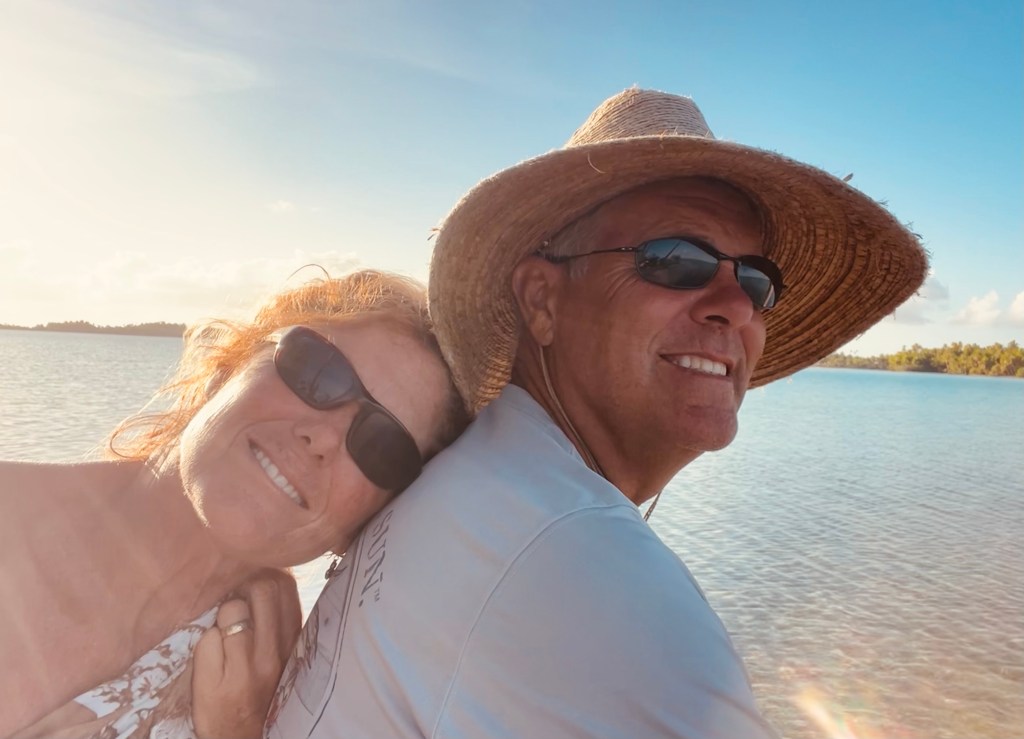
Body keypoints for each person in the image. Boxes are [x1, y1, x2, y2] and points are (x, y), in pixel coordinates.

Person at [265, 88, 928, 738]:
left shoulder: (475, 490)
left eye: (757, 280)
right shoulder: (588, 568)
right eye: (676, 260)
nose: (736, 305)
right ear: (542, 299)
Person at [0, 270, 469, 739]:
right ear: (229, 365)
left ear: (367, 523)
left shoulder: (287, 694)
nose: (323, 438)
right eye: (317, 372)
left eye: (383, 446)